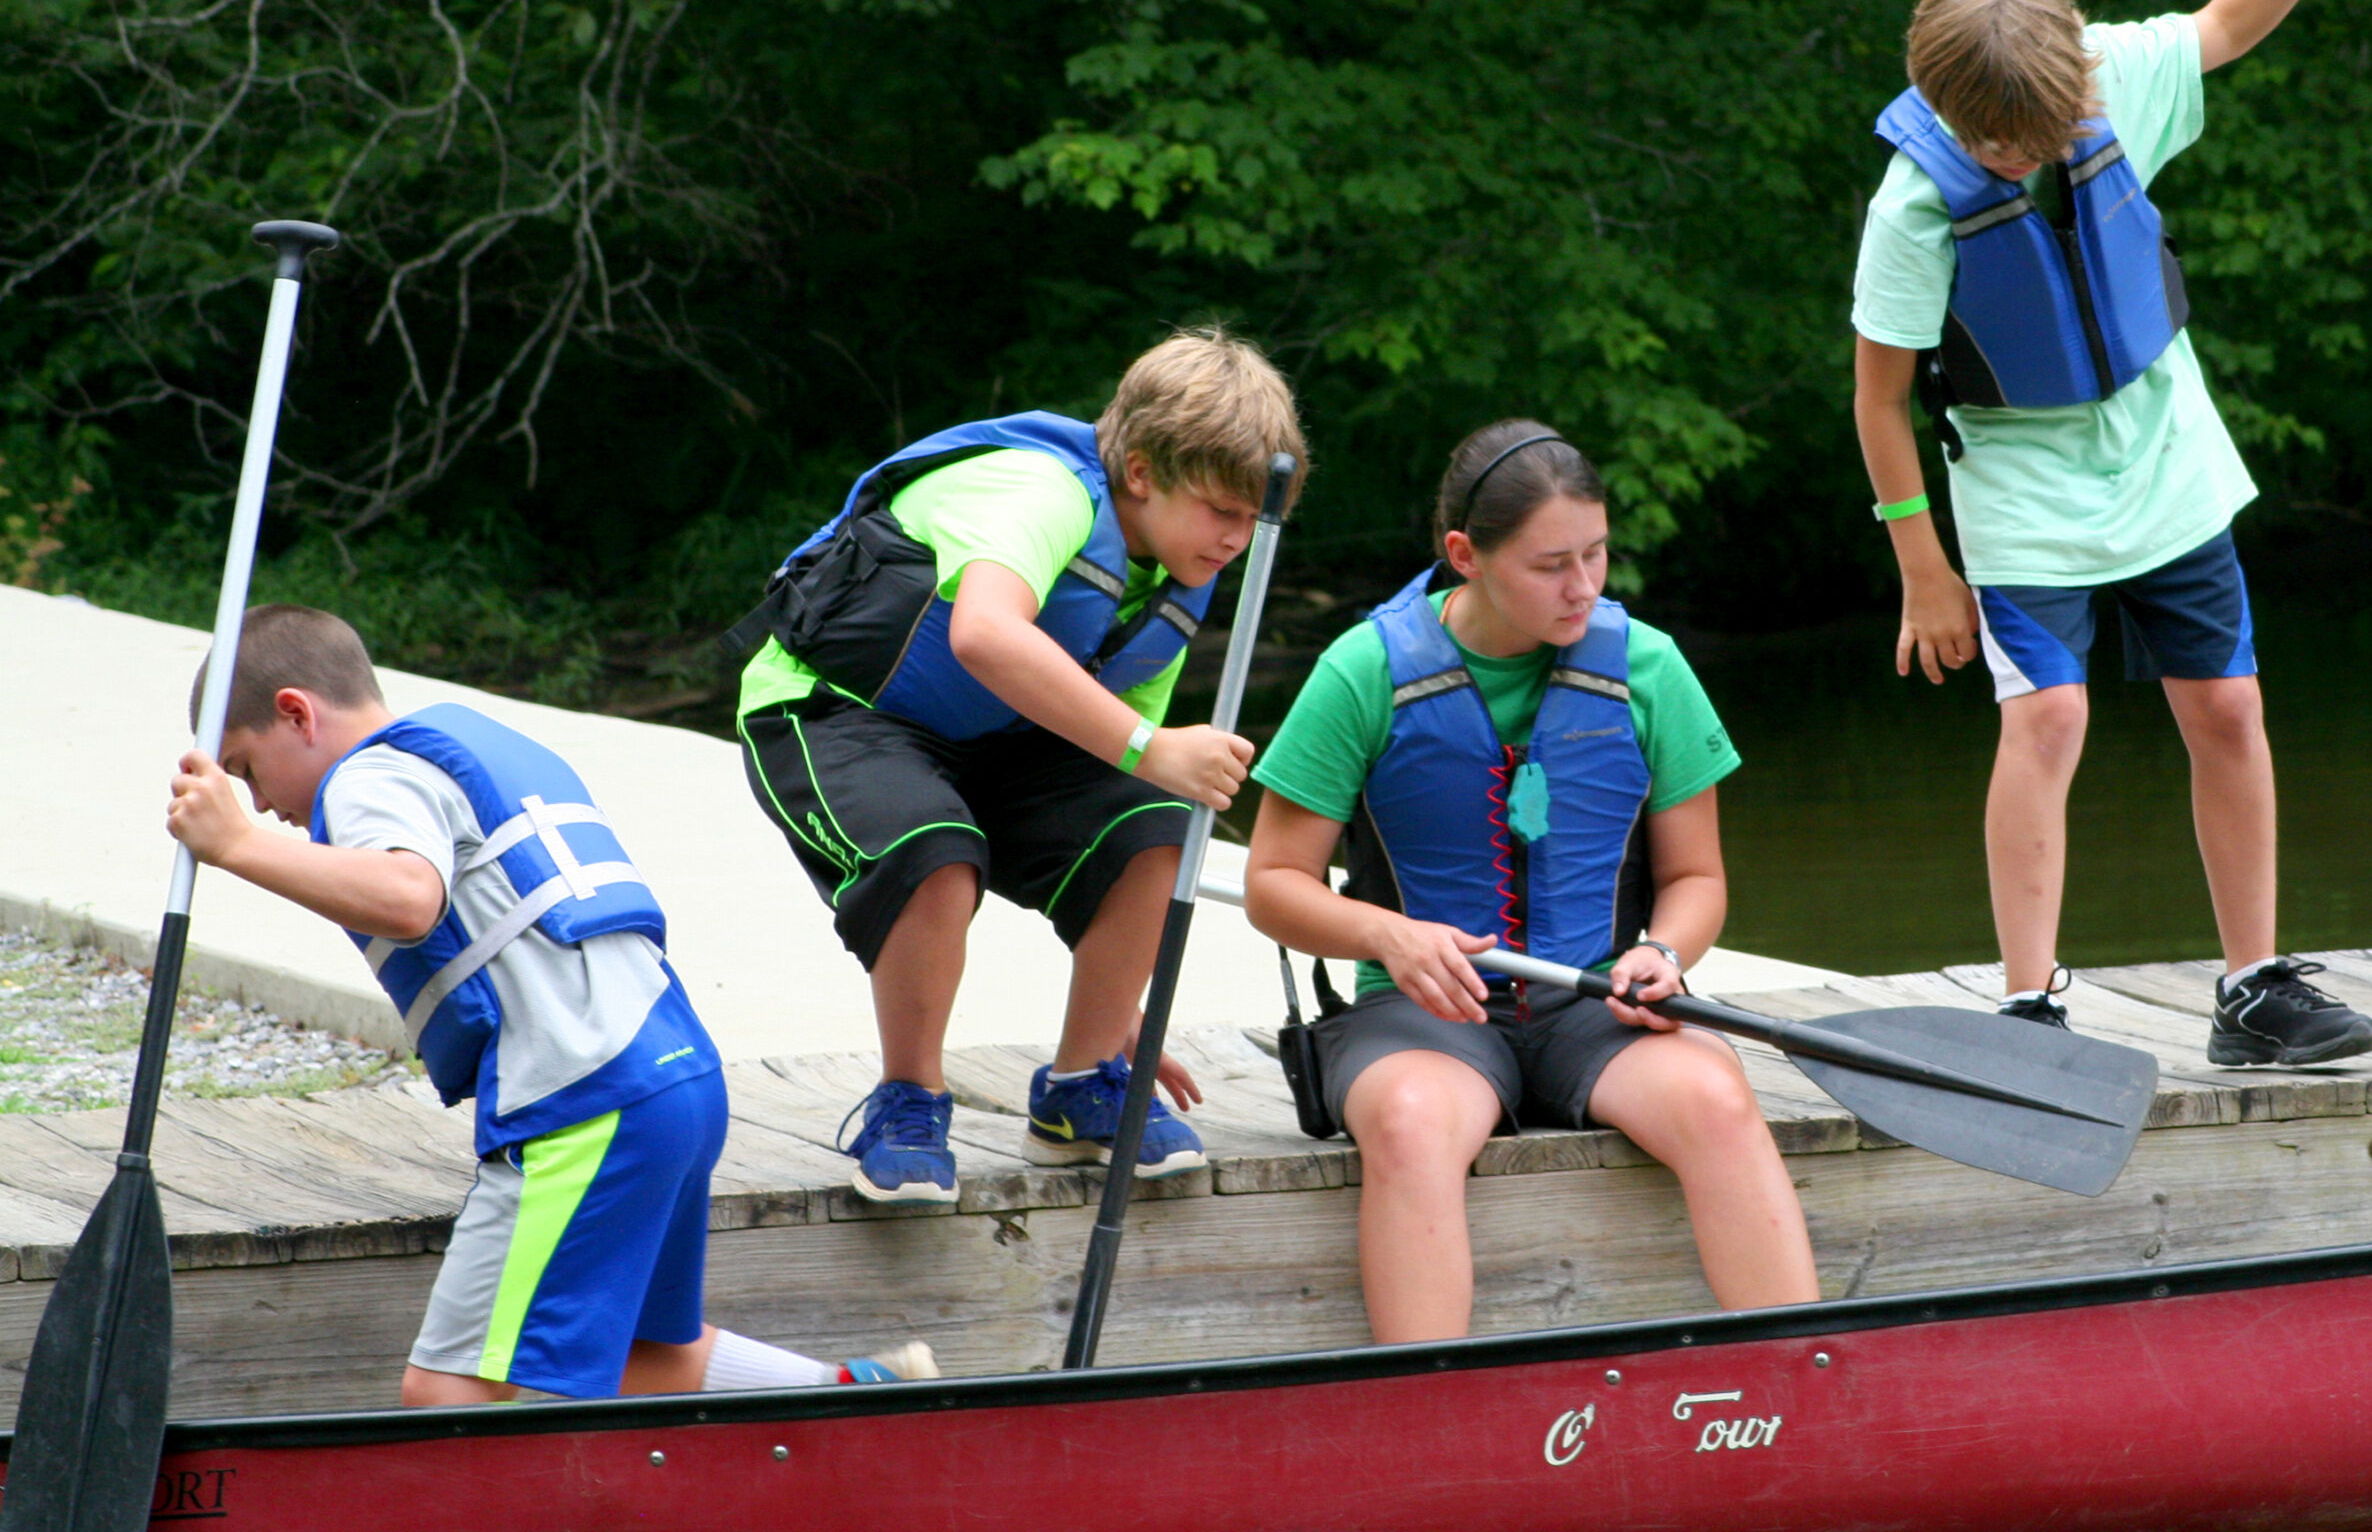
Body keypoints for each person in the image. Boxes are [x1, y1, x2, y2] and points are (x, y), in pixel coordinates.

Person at [1850, 0, 2372, 1065]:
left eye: (2039, 135)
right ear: (1948, 111)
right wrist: (1921, 565)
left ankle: (2254, 989)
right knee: (2046, 717)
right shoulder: (1911, 208)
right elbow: (1880, 397)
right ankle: (2029, 1005)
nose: (2023, 155)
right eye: (1998, 144)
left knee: (2224, 704)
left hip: (2164, 463)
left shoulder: (2107, 81)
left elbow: (2221, 23)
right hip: (2020, 492)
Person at [165, 605, 933, 1404]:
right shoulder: (471, 740)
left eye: (246, 768)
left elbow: (408, 897)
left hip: (583, 1103)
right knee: (634, 1354)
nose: (253, 803)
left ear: (296, 712)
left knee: (449, 1391)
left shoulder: (366, 775)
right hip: (676, 1082)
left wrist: (238, 849)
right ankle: (854, 1396)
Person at [1241, 422, 1819, 1343]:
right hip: (1423, 1015)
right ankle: (1431, 1417)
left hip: (1598, 1008)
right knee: (1413, 1122)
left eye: (1595, 554)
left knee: (1715, 1096)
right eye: (1552, 564)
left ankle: (1803, 1384)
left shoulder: (1649, 668)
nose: (1583, 586)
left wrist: (1664, 952)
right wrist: (1388, 934)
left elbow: (1698, 877)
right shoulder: (1362, 672)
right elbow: (1274, 883)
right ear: (1466, 556)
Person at [733, 329, 1307, 1203]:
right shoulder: (1038, 492)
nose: (1237, 540)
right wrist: (1157, 751)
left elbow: (1122, 745)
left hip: (995, 739)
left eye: (1253, 522)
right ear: (1144, 472)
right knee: (935, 851)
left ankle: (1082, 1087)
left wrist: (1122, 1005)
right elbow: (984, 633)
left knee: (1156, 825)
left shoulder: (1182, 569)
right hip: (832, 709)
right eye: (1222, 514)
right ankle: (909, 1099)